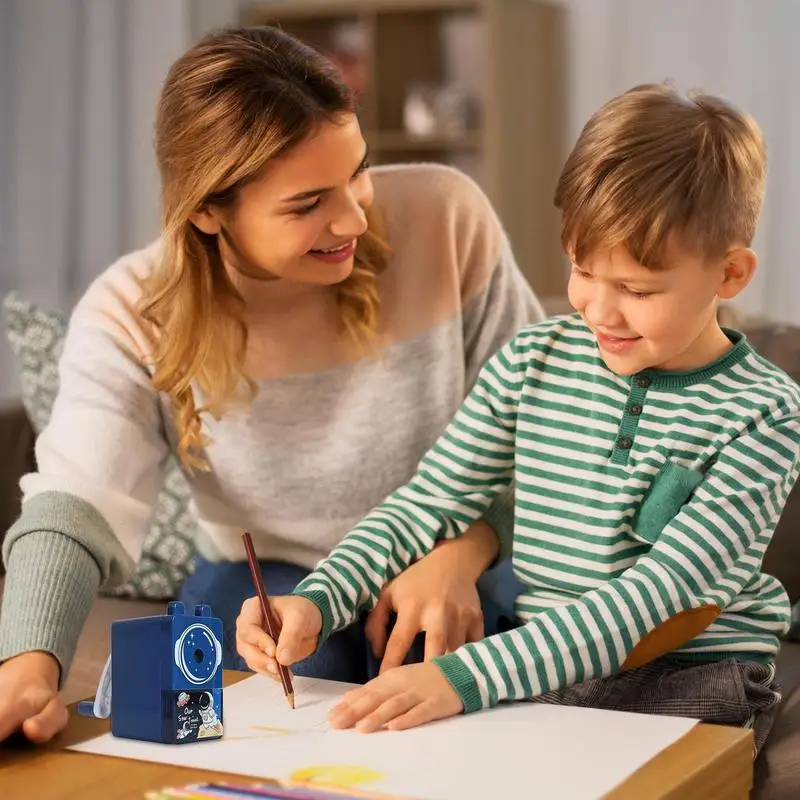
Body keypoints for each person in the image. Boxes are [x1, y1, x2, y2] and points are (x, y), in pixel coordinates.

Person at [0, 26, 544, 744]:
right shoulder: (131, 311)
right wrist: (27, 665)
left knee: (451, 669)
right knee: (294, 684)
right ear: (207, 210)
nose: (354, 217)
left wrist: (462, 552)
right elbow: (76, 505)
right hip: (267, 580)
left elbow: (543, 430)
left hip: (450, 553)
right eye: (307, 202)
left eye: (358, 170)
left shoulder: (447, 220)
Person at [240, 83, 800, 757]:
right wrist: (316, 600)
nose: (599, 310)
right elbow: (426, 505)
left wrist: (463, 679)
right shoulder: (532, 361)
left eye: (636, 289)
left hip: (690, 677)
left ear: (730, 274)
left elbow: (659, 597)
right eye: (583, 270)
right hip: (540, 666)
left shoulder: (766, 415)